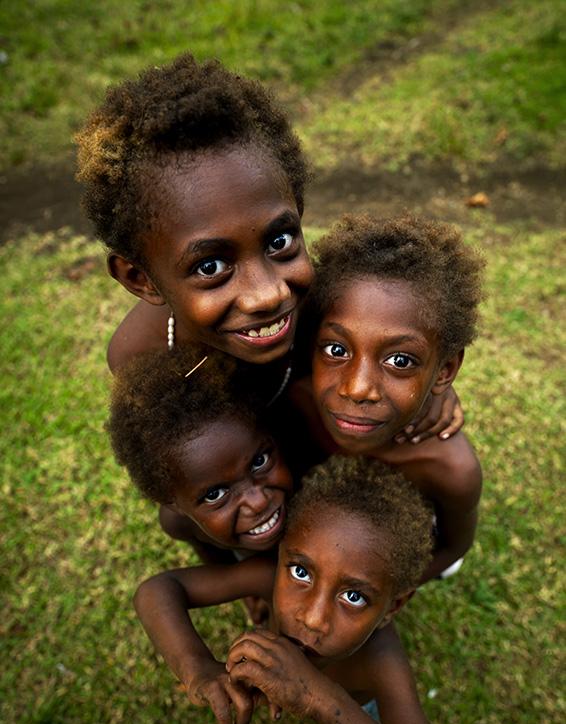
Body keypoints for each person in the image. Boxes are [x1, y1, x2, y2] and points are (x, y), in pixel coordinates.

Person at [76, 52, 462, 435]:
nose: (267, 295)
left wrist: (430, 388)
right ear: (139, 279)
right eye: (210, 267)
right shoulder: (143, 359)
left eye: (279, 241)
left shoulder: (332, 306)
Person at [133, 455, 457, 724]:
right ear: (282, 553)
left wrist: (318, 699)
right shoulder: (266, 575)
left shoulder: (382, 660)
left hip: (355, 705)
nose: (313, 618)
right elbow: (157, 591)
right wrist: (195, 666)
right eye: (301, 572)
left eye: (353, 596)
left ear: (393, 607)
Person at [290, 214, 484, 580]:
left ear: (445, 371)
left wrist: (382, 594)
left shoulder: (450, 470)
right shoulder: (296, 403)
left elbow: (453, 548)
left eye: (400, 360)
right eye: (335, 349)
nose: (357, 388)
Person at [108, 344, 294, 559]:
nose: (258, 502)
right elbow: (219, 565)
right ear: (173, 503)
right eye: (215, 495)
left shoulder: (311, 486)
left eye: (259, 461)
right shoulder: (179, 524)